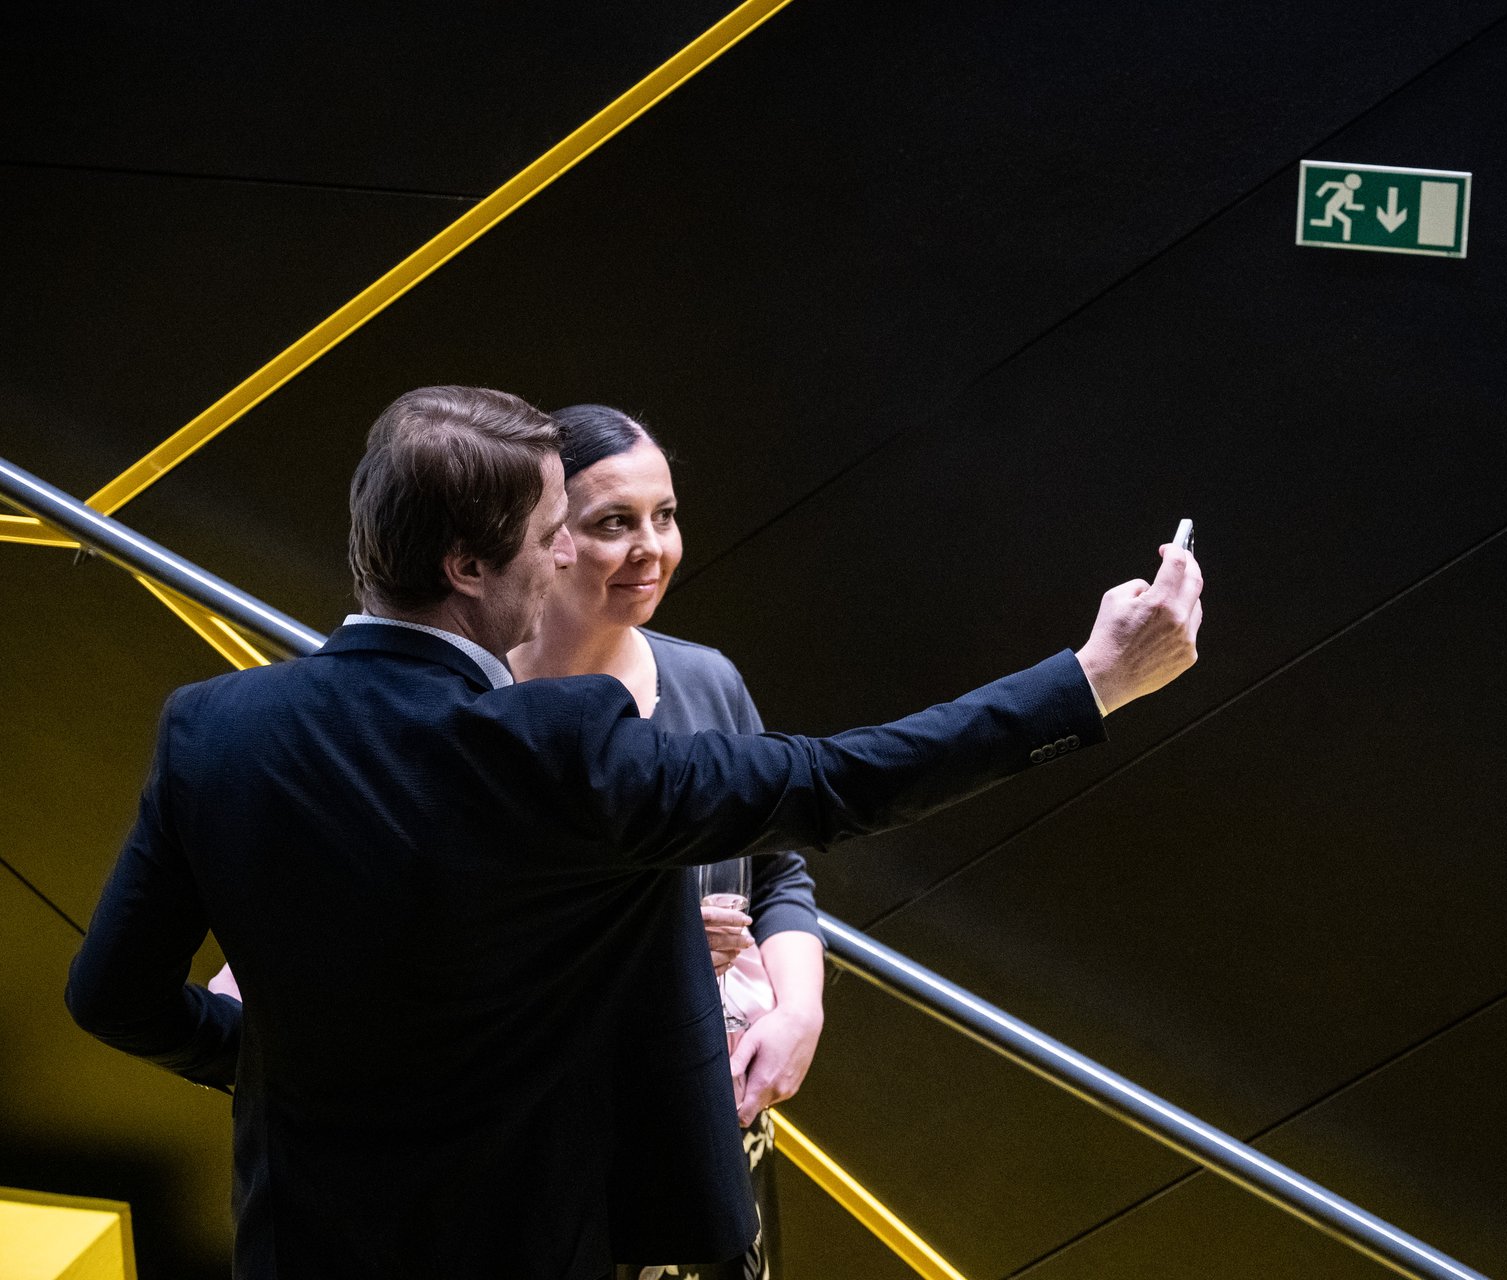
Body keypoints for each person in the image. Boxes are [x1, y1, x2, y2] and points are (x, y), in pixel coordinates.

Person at [65, 385, 1202, 1280]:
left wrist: (279, 1061)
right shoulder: (562, 742)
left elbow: (112, 994)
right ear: (467, 566)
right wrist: (1093, 680)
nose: (569, 555)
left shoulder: (211, 726)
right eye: (552, 534)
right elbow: (837, 780)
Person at [507, 404, 810, 1280]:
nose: (652, 548)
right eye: (614, 523)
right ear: (545, 539)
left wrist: (798, 1012)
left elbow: (778, 869)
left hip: (715, 1111)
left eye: (664, 517)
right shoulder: (478, 704)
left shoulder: (706, 679)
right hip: (551, 1137)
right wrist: (660, 945)